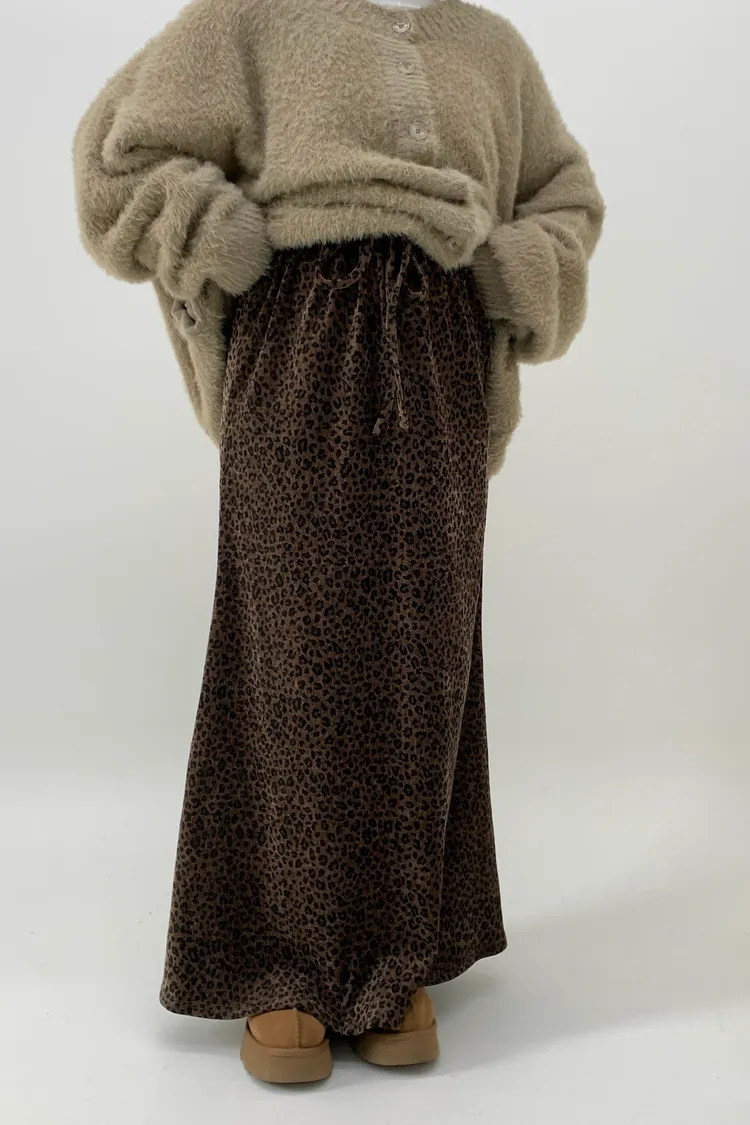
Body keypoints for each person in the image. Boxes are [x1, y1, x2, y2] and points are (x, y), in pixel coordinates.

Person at [72, 0, 605, 1085]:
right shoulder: (253, 18)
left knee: (421, 659)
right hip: (303, 339)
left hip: (440, 354)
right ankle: (282, 960)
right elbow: (117, 155)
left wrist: (516, 268)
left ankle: (395, 949)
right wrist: (212, 234)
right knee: (296, 653)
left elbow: (567, 198)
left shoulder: (491, 47)